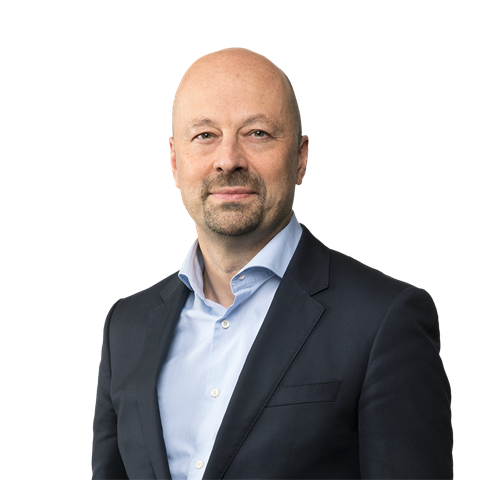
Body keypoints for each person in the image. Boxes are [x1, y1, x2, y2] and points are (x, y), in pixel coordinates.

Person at [92, 47, 453, 479]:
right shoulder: (125, 326)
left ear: (300, 158)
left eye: (257, 133)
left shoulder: (384, 320)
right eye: (205, 135)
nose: (229, 159)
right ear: (174, 161)